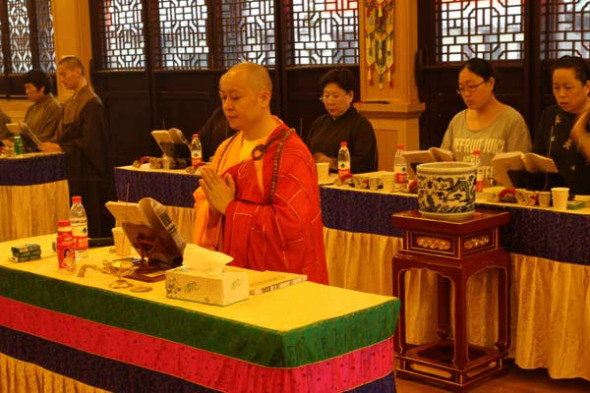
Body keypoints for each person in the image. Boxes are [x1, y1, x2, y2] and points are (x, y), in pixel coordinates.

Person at [193, 62, 329, 284]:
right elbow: (206, 206)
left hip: (277, 285)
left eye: (235, 98)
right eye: (223, 97)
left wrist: (230, 207)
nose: (227, 106)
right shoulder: (226, 148)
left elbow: (292, 228)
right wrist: (214, 207)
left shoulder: (290, 154)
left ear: (264, 98)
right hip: (230, 276)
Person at [39, 56, 114, 237]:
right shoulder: (70, 102)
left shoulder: (92, 103)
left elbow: (91, 142)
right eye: (61, 75)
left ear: (77, 72)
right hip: (75, 170)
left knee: (91, 221)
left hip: (90, 172)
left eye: (64, 74)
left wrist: (61, 148)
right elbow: (64, 135)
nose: (62, 80)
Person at [441, 58, 532, 166]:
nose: (466, 94)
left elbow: (518, 170)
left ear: (490, 83)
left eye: (471, 86)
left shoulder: (512, 120)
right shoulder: (457, 121)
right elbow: (445, 163)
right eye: (461, 88)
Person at [533, 55, 590, 195]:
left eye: (568, 87)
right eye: (556, 88)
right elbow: (537, 156)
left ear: (587, 86)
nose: (561, 94)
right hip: (555, 201)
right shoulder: (550, 115)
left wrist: (580, 135)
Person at [305, 68, 377, 173]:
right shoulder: (319, 123)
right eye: (326, 96)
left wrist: (332, 162)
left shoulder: (361, 125)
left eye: (335, 96)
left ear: (350, 96)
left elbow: (364, 163)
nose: (330, 101)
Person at [22, 69, 62, 148]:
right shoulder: (31, 108)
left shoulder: (54, 107)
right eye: (25, 88)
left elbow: (46, 137)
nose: (26, 92)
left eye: (29, 88)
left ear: (42, 88)